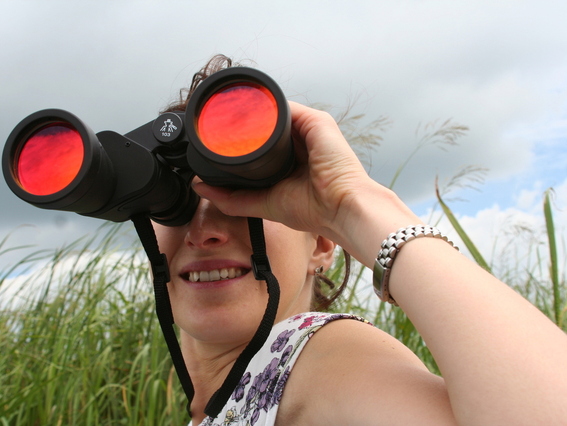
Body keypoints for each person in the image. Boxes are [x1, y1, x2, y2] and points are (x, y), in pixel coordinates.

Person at [152, 55, 567, 425]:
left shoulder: (321, 361)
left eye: (242, 202)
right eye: (175, 204)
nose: (203, 232)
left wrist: (352, 205)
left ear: (321, 244)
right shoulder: (232, 396)